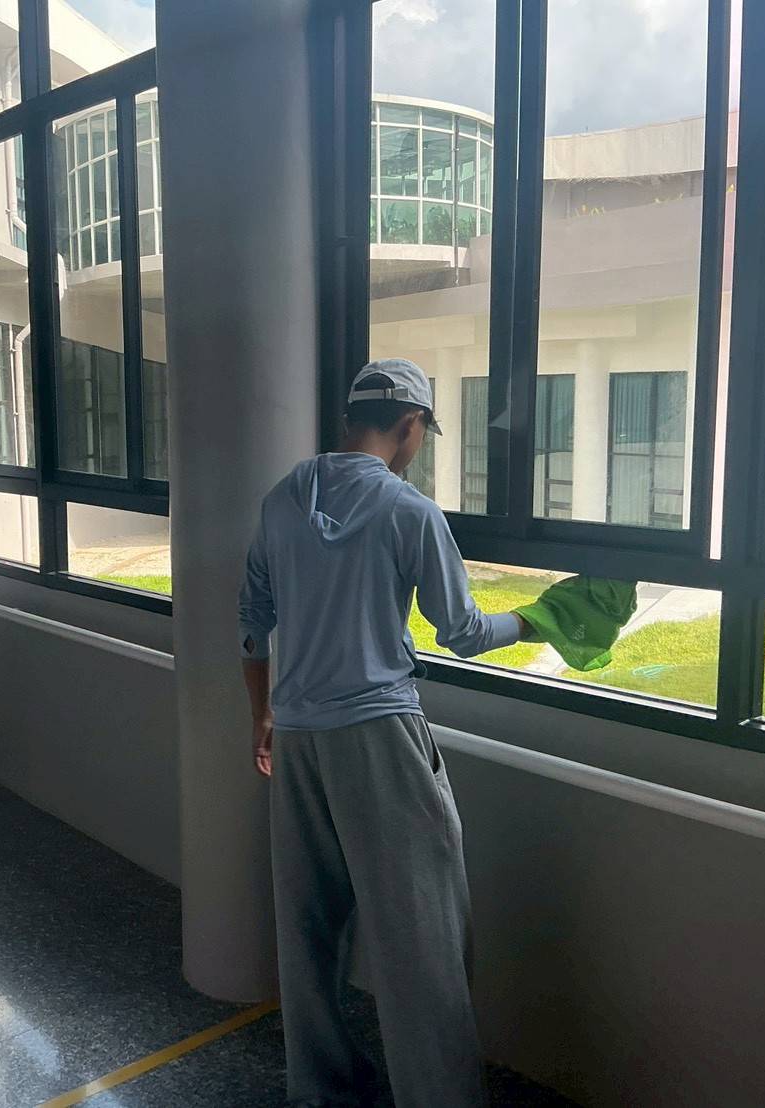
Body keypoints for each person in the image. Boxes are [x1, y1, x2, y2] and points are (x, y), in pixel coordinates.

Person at [238, 358, 529, 1107]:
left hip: (297, 737)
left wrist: (262, 716)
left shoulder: (281, 499)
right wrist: (534, 620)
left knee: (308, 929)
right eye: (423, 433)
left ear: (350, 419)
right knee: (422, 935)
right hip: (379, 737)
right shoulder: (408, 511)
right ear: (410, 424)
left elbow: (251, 624)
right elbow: (462, 631)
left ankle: (323, 1088)